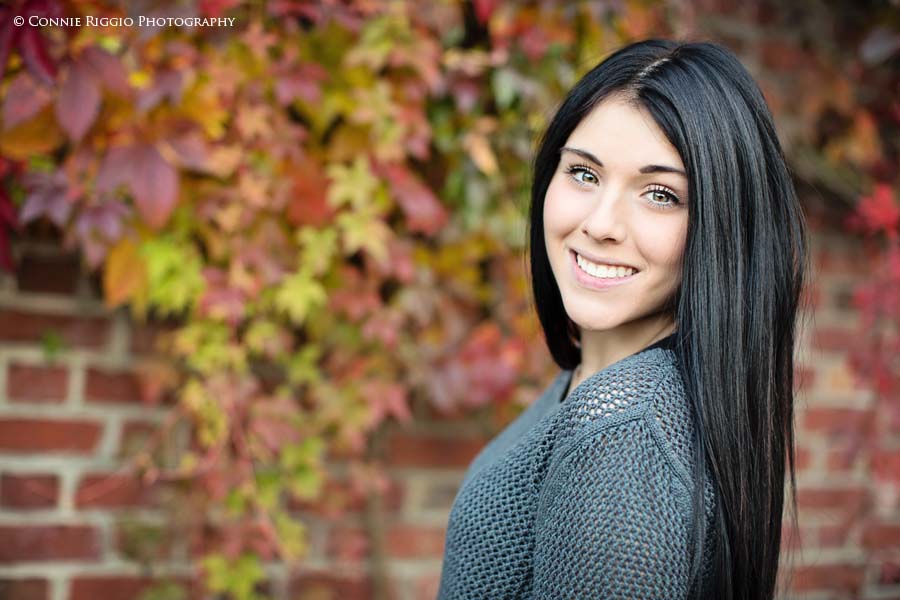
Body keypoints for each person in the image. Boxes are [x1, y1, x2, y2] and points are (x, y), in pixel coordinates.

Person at [436, 38, 809, 600]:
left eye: (660, 194)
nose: (601, 223)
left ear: (721, 229)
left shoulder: (624, 436)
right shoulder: (595, 387)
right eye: (584, 174)